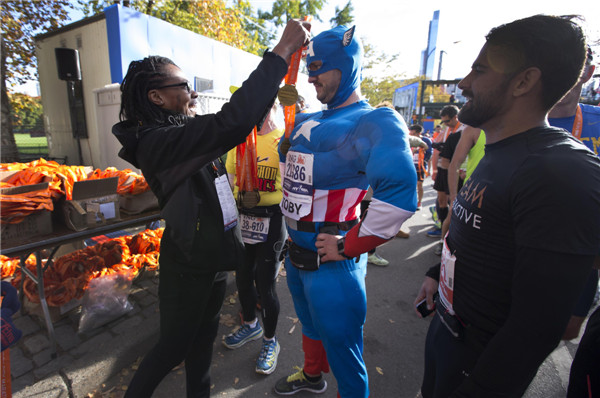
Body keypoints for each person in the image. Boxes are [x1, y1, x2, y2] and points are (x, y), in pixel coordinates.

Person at [111, 20, 311, 397]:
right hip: (188, 264)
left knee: (202, 347)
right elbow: (230, 122)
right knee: (172, 350)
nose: (191, 93)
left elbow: (240, 124)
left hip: (213, 260)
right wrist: (281, 51)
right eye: (184, 86)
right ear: (156, 97)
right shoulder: (158, 142)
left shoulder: (178, 132)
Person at [414, 14, 600, 398]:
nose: (463, 83)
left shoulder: (561, 171)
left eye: (479, 70)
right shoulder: (502, 149)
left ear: (524, 81)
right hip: (446, 337)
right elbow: (484, 236)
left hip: (478, 370)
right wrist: (437, 271)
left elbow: (536, 328)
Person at [274, 25, 417, 397]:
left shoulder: (374, 120)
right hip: (297, 255)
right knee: (308, 324)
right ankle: (311, 377)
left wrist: (351, 245)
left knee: (344, 349)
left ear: (346, 64)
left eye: (318, 66)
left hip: (332, 264)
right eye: (308, 66)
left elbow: (400, 193)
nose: (310, 76)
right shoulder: (306, 119)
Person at [222, 101, 287, 375]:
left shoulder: (283, 139)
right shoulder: (238, 141)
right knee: (241, 277)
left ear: (275, 108)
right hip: (243, 217)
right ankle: (250, 325)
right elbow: (229, 178)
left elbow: (294, 186)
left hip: (272, 219)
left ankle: (271, 342)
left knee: (265, 282)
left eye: (267, 106)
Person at [548, 47, 600, 341]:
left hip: (583, 253)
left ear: (588, 72)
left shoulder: (596, 119)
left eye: (574, 68)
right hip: (523, 248)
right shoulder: (516, 123)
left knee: (568, 331)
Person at [427, 105, 465, 239]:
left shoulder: (465, 129)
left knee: (452, 203)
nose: (446, 124)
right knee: (441, 200)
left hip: (456, 170)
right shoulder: (447, 129)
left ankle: (450, 234)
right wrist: (435, 170)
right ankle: (442, 228)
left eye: (448, 121)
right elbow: (436, 147)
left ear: (456, 117)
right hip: (443, 169)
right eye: (444, 122)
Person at [408, 124, 432, 210]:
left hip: (420, 166)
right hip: (410, 165)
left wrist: (420, 152)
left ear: (418, 133)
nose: (411, 135)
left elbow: (429, 153)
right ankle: (411, 202)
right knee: (411, 185)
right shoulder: (409, 139)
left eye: (413, 133)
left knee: (419, 185)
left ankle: (419, 202)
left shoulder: (426, 140)